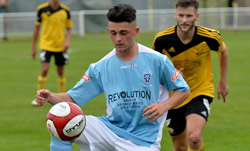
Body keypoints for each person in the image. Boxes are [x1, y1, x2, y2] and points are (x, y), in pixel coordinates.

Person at [36, 4, 190, 151]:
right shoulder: (100, 67)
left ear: (136, 31)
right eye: (113, 33)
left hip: (143, 140)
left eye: (123, 33)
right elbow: (72, 98)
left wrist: (164, 106)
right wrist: (50, 96)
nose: (118, 39)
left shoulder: (157, 60)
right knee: (60, 123)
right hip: (109, 129)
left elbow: (183, 90)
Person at [152, 0, 229, 151]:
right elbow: (153, 68)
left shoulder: (209, 37)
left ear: (197, 16)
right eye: (181, 15)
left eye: (189, 16)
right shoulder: (162, 40)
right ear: (176, 15)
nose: (185, 20)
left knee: (194, 138)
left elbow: (223, 51)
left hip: (200, 91)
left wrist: (223, 81)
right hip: (173, 96)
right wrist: (170, 76)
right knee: (180, 147)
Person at [31, 0, 73, 106]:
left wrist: (67, 41)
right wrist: (33, 47)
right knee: (44, 69)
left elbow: (68, 29)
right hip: (46, 45)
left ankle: (62, 99)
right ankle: (39, 98)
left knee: (60, 71)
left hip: (60, 46)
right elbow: (37, 28)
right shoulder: (41, 9)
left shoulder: (65, 10)